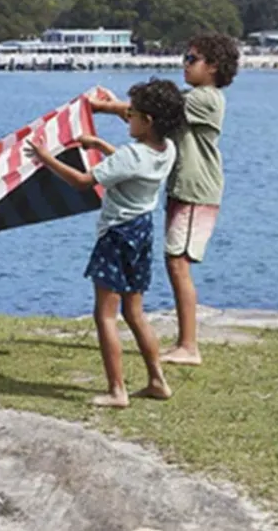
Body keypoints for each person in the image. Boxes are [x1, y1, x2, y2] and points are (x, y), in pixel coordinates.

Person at [26, 79, 187, 408]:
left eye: (132, 113)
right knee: (135, 312)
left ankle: (117, 390)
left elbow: (84, 182)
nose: (128, 118)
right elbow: (130, 168)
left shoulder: (131, 155)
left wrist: (45, 157)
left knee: (105, 315)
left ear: (149, 121)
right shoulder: (167, 149)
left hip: (117, 234)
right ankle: (157, 380)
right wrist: (99, 145)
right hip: (142, 231)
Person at [90, 34, 239, 365]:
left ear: (213, 67)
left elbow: (157, 110)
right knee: (175, 261)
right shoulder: (194, 99)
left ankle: (189, 345)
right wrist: (118, 108)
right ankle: (185, 342)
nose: (184, 64)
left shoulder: (208, 99)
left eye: (191, 59)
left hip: (196, 190)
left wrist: (102, 107)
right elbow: (151, 120)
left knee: (178, 262)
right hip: (182, 188)